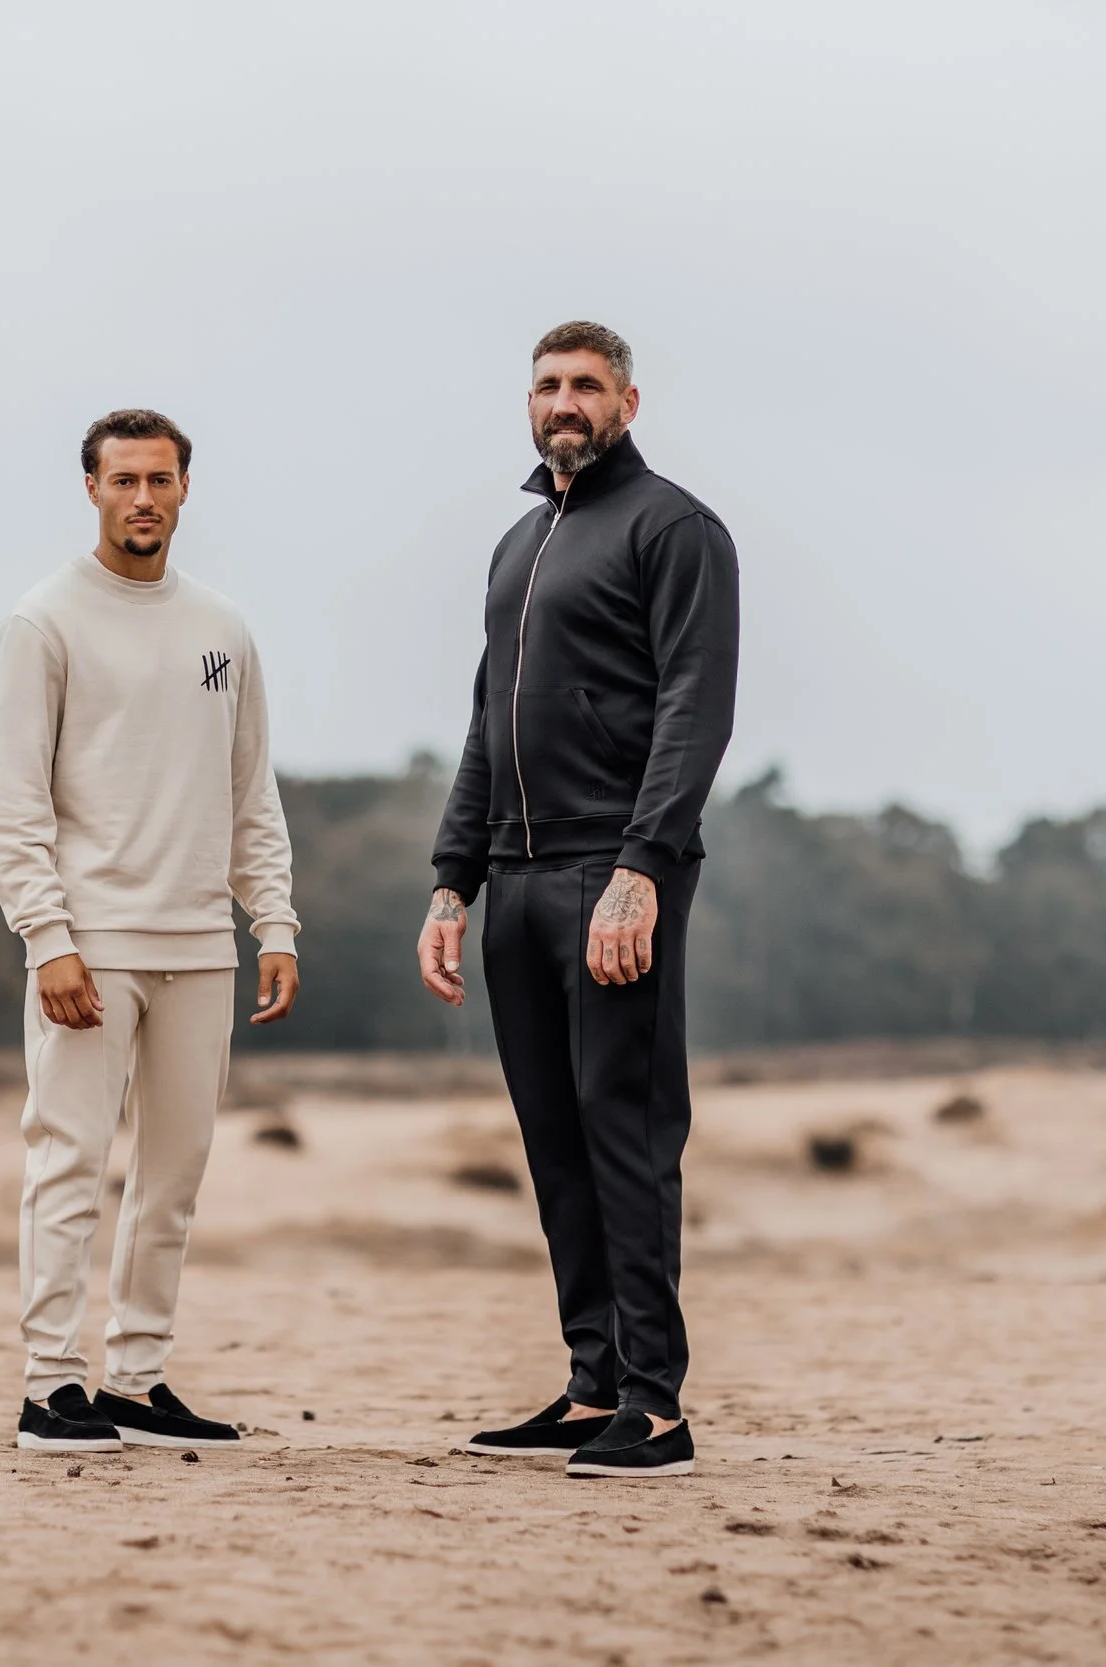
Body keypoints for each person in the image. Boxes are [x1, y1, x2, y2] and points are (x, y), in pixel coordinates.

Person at [418, 322, 739, 1478]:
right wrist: (452, 878)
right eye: (548, 385)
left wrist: (641, 869)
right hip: (513, 879)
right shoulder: (519, 542)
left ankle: (654, 1402)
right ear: (528, 401)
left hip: (614, 872)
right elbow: (482, 723)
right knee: (556, 1144)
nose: (566, 401)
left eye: (587, 385)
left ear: (629, 400)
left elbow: (695, 709)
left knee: (627, 1136)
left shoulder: (674, 528)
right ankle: (590, 1380)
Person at [0, 408, 302, 1453]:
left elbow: (249, 790)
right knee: (67, 1162)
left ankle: (134, 1377)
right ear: (91, 488)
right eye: (123, 480)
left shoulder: (223, 627)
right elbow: (17, 805)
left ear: (182, 489)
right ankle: (49, 1384)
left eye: (160, 480)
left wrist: (277, 921)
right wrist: (46, 936)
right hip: (92, 944)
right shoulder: (44, 621)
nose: (142, 498)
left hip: (199, 947)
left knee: (172, 1179)